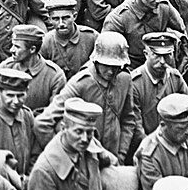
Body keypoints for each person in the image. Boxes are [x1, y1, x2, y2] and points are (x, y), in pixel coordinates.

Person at [38, 31, 142, 160]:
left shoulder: (124, 79)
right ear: (96, 61)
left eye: (115, 67)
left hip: (112, 159)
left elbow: (128, 120)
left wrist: (121, 154)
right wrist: (63, 156)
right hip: (83, 160)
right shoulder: (81, 83)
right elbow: (43, 123)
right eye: (106, 66)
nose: (111, 72)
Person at [27, 98, 113, 190]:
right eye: (78, 131)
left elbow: (109, 160)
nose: (85, 138)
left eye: (89, 132)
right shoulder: (45, 171)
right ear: (63, 128)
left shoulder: (89, 147)